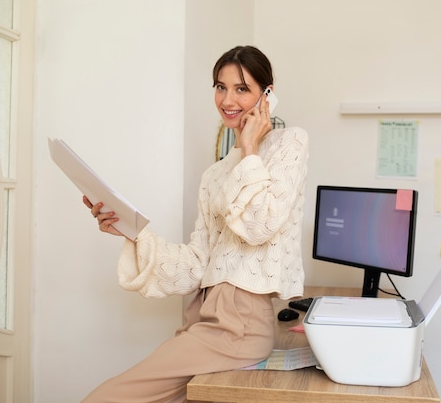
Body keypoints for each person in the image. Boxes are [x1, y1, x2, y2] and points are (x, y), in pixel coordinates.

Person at [80, 45, 309, 403]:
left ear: (267, 94)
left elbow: (262, 224)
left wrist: (249, 149)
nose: (228, 99)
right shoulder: (215, 174)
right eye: (220, 87)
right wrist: (131, 232)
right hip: (204, 318)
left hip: (241, 325)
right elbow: (198, 264)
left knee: (102, 400)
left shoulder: (289, 143)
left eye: (241, 88)